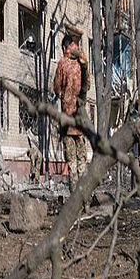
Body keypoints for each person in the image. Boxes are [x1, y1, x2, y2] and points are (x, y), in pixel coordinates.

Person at [53, 33, 87, 193]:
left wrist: (62, 94)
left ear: (64, 48)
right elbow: (88, 85)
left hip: (68, 123)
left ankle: (75, 202)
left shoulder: (62, 63)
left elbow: (56, 88)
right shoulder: (81, 64)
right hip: (80, 122)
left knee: (72, 164)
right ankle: (86, 201)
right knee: (82, 163)